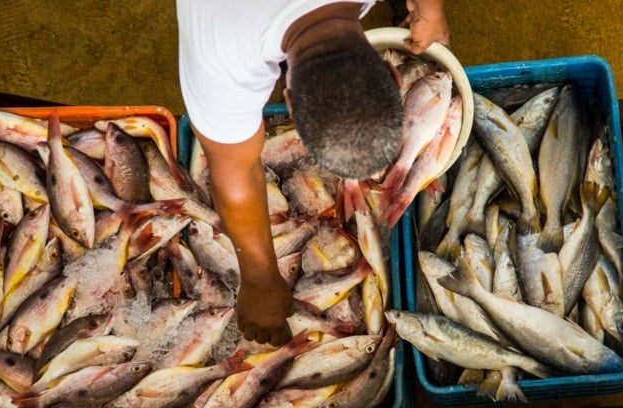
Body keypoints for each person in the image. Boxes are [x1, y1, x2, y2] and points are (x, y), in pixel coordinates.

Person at [176, 0, 449, 346]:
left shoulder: (224, 59)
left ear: (288, 100)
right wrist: (259, 280)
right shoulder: (220, 60)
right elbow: (235, 175)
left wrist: (429, 8)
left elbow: (239, 172)